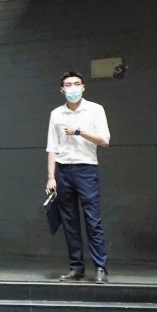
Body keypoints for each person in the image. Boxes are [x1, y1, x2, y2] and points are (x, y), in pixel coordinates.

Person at [47, 71, 112, 283]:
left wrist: (79, 131)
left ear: (83, 87)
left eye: (76, 84)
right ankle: (76, 268)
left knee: (93, 220)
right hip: (63, 171)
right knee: (70, 222)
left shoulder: (95, 109)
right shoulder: (56, 114)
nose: (73, 88)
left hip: (86, 169)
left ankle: (100, 268)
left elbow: (104, 140)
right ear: (62, 90)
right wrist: (51, 177)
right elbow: (52, 147)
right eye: (68, 85)